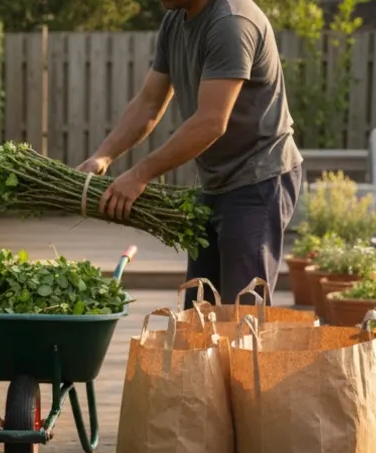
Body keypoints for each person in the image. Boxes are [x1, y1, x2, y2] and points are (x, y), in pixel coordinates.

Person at [78, 0, 303, 308]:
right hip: (213, 182)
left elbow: (211, 122)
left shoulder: (231, 22)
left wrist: (140, 175)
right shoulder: (175, 20)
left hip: (257, 180)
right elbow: (149, 103)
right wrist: (103, 156)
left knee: (242, 312)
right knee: (199, 309)